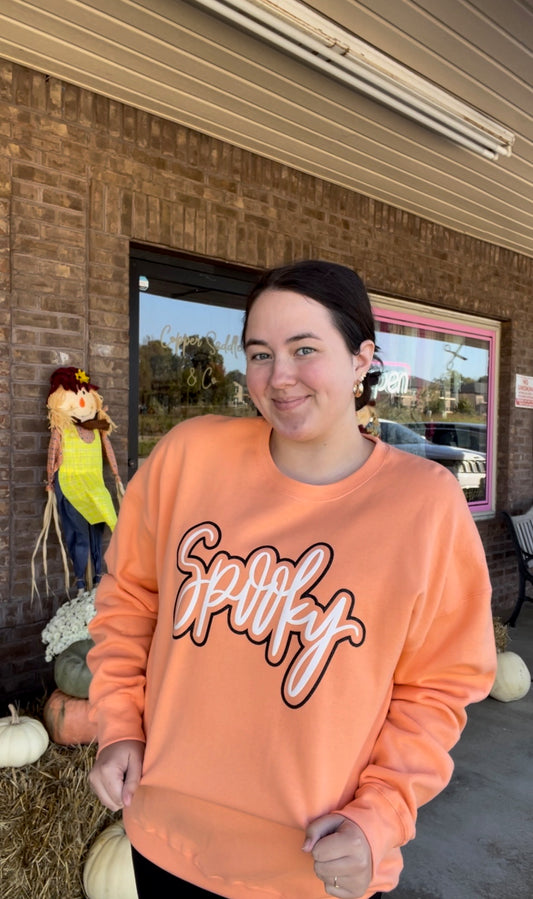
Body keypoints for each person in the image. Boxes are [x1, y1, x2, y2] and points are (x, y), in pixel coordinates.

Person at [87, 259, 496, 899]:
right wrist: (119, 727)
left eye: (305, 349)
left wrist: (380, 816)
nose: (279, 378)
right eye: (260, 353)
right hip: (166, 837)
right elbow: (129, 601)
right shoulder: (189, 457)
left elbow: (438, 688)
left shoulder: (424, 504)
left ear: (362, 359)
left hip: (314, 865)